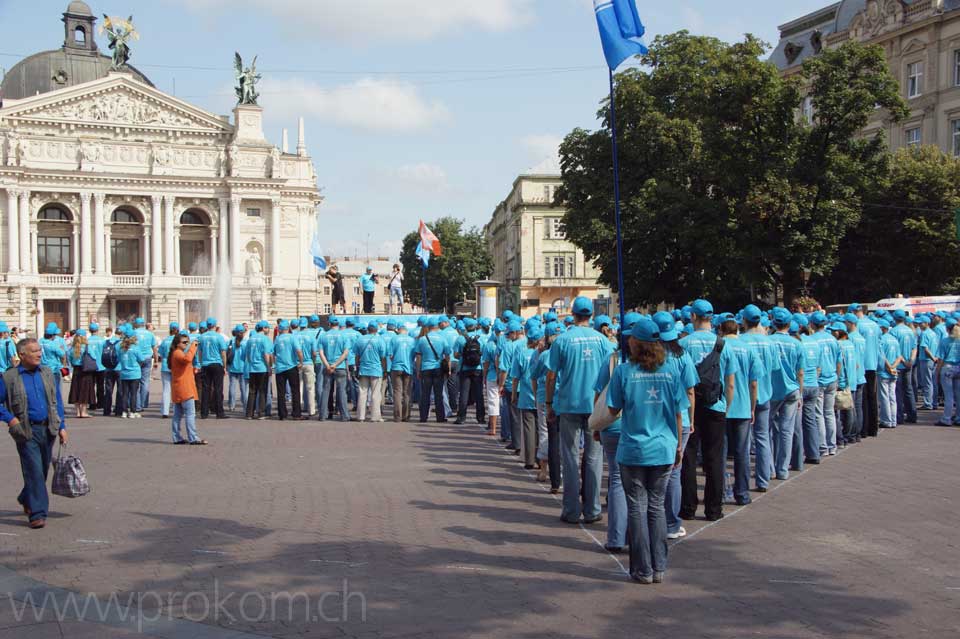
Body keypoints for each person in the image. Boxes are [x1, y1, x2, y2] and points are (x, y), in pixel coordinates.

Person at [606, 319, 684, 584]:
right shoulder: (672, 370)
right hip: (664, 447)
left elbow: (613, 409)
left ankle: (642, 569)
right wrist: (679, 445)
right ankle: (659, 566)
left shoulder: (624, 372)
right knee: (657, 507)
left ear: (635, 343)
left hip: (634, 449)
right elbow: (678, 413)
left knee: (637, 508)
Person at [545, 296, 614, 525]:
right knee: (594, 458)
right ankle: (592, 509)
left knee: (570, 457)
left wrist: (548, 403)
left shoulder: (562, 340)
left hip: (568, 404)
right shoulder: (604, 342)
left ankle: (572, 510)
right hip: (595, 406)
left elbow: (551, 374)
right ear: (591, 315)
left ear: (572, 314)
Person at [0, 338, 69, 529]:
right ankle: (38, 514)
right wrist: (11, 420)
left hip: (49, 429)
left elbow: (57, 401)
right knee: (33, 470)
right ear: (22, 355)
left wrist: (62, 426)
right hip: (25, 430)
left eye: (39, 350)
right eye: (34, 351)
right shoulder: (9, 377)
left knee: (42, 470)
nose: (39, 353)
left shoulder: (47, 372)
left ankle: (26, 497)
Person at [679, 300, 737, 522]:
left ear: (693, 317)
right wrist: (726, 407)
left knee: (689, 457)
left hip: (690, 406)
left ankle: (688, 507)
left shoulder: (684, 344)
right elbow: (730, 382)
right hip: (716, 406)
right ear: (711, 318)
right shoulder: (723, 344)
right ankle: (713, 509)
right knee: (714, 459)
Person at [651, 311, 697, 541]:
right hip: (681, 420)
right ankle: (671, 522)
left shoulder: (651, 357)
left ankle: (655, 519)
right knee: (674, 473)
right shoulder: (682, 356)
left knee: (655, 473)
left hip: (655, 418)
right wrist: (692, 419)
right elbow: (690, 391)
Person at [718, 315, 760, 506]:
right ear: (737, 330)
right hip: (743, 406)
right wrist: (752, 407)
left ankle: (720, 492)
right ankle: (742, 493)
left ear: (721, 330)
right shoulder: (748, 348)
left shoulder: (718, 346)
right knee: (742, 453)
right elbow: (753, 383)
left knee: (720, 452)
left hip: (722, 405)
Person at [738, 305, 780, 492]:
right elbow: (774, 368)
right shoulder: (769, 342)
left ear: (744, 321)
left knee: (745, 442)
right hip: (764, 394)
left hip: (745, 397)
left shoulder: (740, 341)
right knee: (763, 437)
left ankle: (745, 483)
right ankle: (764, 479)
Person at [769, 308, 805, 480]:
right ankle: (782, 469)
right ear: (789, 324)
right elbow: (800, 372)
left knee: (765, 430)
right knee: (787, 431)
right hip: (792, 390)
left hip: (772, 391)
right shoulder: (797, 344)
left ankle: (769, 468)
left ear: (774, 323)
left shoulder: (768, 341)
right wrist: (801, 393)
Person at [510, 327, 542, 470]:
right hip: (541, 396)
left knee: (529, 429)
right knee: (542, 430)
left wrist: (513, 395)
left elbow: (515, 377)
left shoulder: (522, 355)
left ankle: (530, 460)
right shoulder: (543, 354)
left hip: (525, 396)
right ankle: (542, 460)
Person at [168, 332, 207, 445]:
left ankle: (177, 437)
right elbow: (187, 359)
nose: (186, 344)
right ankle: (193, 437)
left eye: (187, 342)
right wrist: (193, 346)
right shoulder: (178, 353)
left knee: (178, 415)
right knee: (190, 414)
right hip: (184, 388)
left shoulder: (176, 353)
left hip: (179, 387)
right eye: (184, 342)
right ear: (177, 343)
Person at [415, 317, 451, 423]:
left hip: (425, 369)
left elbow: (418, 357)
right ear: (437, 326)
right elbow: (447, 355)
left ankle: (423, 417)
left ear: (428, 327)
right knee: (438, 394)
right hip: (438, 368)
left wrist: (418, 370)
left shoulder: (422, 339)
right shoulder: (442, 338)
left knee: (425, 394)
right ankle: (440, 417)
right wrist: (447, 369)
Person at [353, 321, 388, 422]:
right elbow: (383, 357)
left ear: (368, 329)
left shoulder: (360, 339)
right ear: (376, 329)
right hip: (376, 370)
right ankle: (375, 416)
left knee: (362, 393)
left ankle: (360, 416)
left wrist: (357, 367)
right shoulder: (380, 340)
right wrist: (384, 370)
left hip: (363, 369)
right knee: (376, 394)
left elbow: (357, 356)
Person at [318, 317, 351, 422]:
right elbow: (345, 353)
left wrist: (328, 365)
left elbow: (321, 353)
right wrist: (336, 364)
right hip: (340, 367)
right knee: (341, 391)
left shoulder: (323, 336)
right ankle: (344, 415)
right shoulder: (343, 336)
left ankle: (322, 415)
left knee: (325, 391)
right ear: (338, 324)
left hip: (327, 367)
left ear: (329, 324)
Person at [890, 310, 918, 425]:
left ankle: (899, 416)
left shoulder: (894, 332)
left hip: (899, 364)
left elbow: (895, 350)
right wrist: (911, 360)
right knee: (909, 389)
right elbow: (914, 348)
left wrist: (903, 361)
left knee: (898, 391)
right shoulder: (910, 331)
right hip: (908, 364)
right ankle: (912, 414)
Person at [455, 318, 485, 425]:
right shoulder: (481, 338)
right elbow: (484, 354)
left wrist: (464, 355)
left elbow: (455, 355)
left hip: (465, 368)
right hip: (478, 368)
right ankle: (481, 417)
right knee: (479, 394)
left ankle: (461, 417)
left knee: (464, 393)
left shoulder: (460, 338)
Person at [273, 319, 303, 420]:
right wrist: (301, 361)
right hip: (291, 366)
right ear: (288, 328)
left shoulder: (277, 339)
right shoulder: (292, 337)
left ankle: (282, 414)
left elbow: (273, 353)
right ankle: (296, 413)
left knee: (281, 392)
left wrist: (274, 363)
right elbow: (298, 351)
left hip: (280, 368)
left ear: (280, 329)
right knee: (295, 390)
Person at [197, 318, 227, 419]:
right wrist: (224, 366)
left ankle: (204, 413)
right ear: (215, 325)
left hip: (205, 364)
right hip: (217, 364)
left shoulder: (202, 337)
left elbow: (199, 352)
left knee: (206, 389)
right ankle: (219, 412)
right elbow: (223, 353)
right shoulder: (219, 337)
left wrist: (201, 364)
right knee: (218, 388)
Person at [244, 320, 274, 420]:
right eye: (268, 328)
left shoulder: (250, 339)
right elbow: (266, 355)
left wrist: (251, 362)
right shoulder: (266, 339)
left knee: (252, 391)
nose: (268, 330)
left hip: (252, 368)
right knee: (262, 391)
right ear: (264, 328)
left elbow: (247, 355)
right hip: (262, 368)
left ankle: (249, 413)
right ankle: (261, 413)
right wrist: (269, 367)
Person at [935, 319, 960, 426]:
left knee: (948, 395)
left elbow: (940, 359)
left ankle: (946, 418)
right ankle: (958, 417)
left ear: (947, 329)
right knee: (958, 395)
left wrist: (937, 372)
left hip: (948, 368)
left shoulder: (945, 341)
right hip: (958, 368)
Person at [389, 323, 416, 422]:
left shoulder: (394, 339)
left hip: (396, 367)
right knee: (407, 392)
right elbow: (414, 355)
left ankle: (397, 416)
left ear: (398, 330)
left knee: (397, 392)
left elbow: (391, 355)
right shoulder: (412, 340)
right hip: (408, 367)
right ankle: (406, 416)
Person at [877, 319, 901, 428]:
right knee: (892, 396)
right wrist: (894, 367)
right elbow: (899, 356)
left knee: (884, 397)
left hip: (884, 372)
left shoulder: (881, 340)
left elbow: (882, 356)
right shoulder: (894, 340)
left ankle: (886, 420)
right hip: (894, 372)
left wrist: (888, 367)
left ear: (883, 328)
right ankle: (893, 420)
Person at [67, 329, 95, 418]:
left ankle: (77, 412)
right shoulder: (87, 347)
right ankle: (84, 411)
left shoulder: (72, 348)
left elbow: (69, 359)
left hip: (76, 370)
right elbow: (93, 357)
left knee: (76, 390)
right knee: (85, 390)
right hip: (85, 370)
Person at [132, 318, 157, 414]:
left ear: (136, 324)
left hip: (136, 358)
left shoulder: (134, 333)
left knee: (135, 381)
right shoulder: (150, 334)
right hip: (147, 358)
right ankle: (144, 403)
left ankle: (137, 403)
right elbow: (154, 347)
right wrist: (156, 360)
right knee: (145, 381)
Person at [118, 326, 143, 419]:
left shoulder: (121, 348)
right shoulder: (136, 348)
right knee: (133, 393)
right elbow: (142, 359)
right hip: (135, 373)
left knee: (125, 393)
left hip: (124, 373)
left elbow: (119, 359)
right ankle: (133, 411)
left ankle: (124, 411)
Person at [481, 321, 501, 437]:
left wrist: (484, 376)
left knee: (493, 402)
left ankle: (493, 427)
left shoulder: (490, 345)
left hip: (492, 376)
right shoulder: (508, 343)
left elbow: (486, 363)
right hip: (507, 376)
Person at [157, 323, 179, 418]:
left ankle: (165, 411)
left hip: (165, 366)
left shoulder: (165, 340)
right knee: (176, 389)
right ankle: (176, 410)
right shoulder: (178, 341)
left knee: (166, 390)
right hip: (176, 366)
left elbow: (160, 354)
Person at [39, 323, 67, 392]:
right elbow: (63, 354)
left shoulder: (39, 341)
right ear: (52, 335)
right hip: (54, 369)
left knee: (44, 390)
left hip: (41, 369)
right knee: (56, 390)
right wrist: (63, 365)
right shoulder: (53, 344)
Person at [227, 325, 248, 412]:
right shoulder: (246, 342)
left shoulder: (231, 341)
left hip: (232, 367)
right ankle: (245, 406)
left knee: (232, 386)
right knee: (243, 388)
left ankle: (231, 405)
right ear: (243, 332)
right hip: (242, 367)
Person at [86, 323, 106, 412]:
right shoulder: (102, 340)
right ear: (97, 330)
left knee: (91, 385)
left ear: (90, 331)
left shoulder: (87, 340)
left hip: (90, 365)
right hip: (101, 365)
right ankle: (101, 403)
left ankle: (92, 404)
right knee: (100, 385)